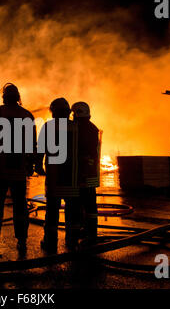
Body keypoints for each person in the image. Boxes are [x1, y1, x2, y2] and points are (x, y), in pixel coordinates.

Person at [0, 83, 38, 255]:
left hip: (0, 168)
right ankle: (22, 241)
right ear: (18, 97)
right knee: (20, 206)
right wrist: (32, 165)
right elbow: (32, 144)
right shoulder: (27, 115)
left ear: (4, 97)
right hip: (19, 170)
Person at [38, 98, 81, 253]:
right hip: (72, 177)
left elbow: (40, 149)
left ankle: (50, 241)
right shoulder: (77, 127)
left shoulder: (49, 127)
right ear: (68, 112)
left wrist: (37, 165)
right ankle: (72, 240)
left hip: (54, 177)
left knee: (52, 211)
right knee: (72, 211)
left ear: (53, 112)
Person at [71, 102, 100, 244]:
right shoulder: (93, 128)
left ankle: (77, 233)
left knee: (77, 204)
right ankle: (91, 232)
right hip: (92, 174)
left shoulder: (76, 128)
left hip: (79, 173)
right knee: (90, 204)